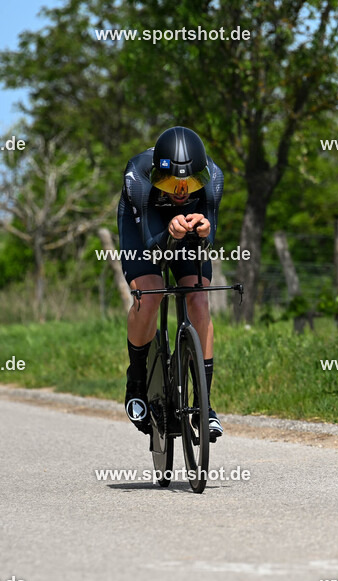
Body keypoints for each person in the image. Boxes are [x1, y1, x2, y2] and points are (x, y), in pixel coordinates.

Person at [117, 126, 224, 441]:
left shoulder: (213, 179)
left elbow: (209, 241)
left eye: (189, 184)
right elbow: (152, 244)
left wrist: (203, 232)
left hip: (186, 230)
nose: (181, 192)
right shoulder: (137, 177)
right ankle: (136, 381)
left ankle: (204, 408)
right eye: (171, 184)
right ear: (156, 176)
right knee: (149, 296)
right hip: (145, 231)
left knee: (199, 299)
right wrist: (169, 233)